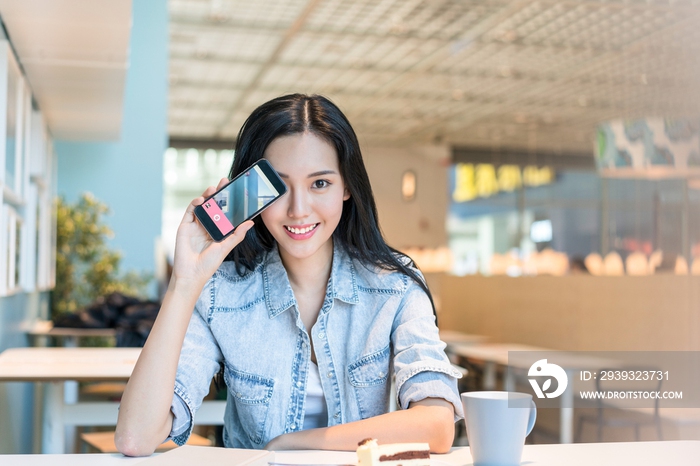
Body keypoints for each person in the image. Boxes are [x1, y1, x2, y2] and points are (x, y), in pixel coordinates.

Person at [115, 94, 463, 456]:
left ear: (347, 187)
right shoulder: (221, 294)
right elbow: (136, 438)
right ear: (255, 192)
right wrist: (183, 284)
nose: (298, 210)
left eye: (320, 184)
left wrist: (294, 444)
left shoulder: (395, 286)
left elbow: (436, 426)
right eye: (279, 187)